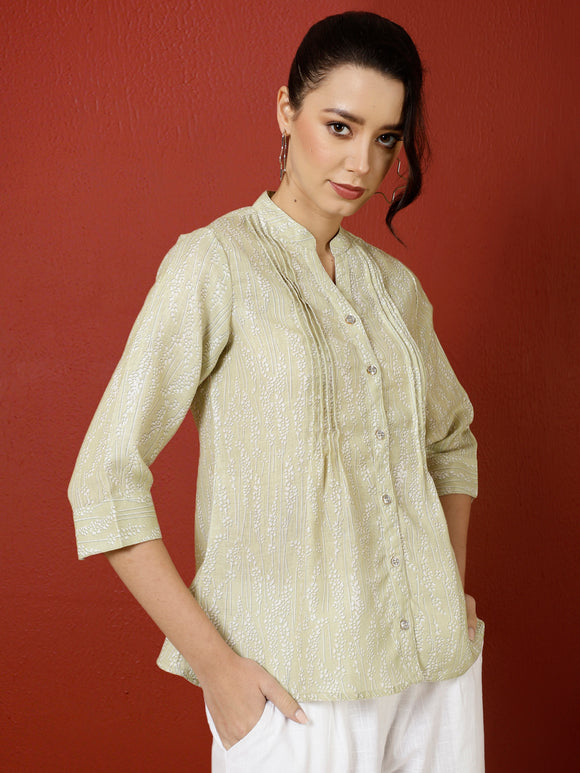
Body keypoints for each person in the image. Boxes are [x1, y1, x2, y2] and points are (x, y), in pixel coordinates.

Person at [69, 11, 485, 772]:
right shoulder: (215, 263)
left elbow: (451, 440)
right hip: (297, 689)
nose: (360, 161)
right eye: (340, 126)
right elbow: (103, 479)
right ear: (287, 112)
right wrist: (218, 670)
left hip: (434, 673)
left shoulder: (395, 287)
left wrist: (447, 587)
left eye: (385, 138)